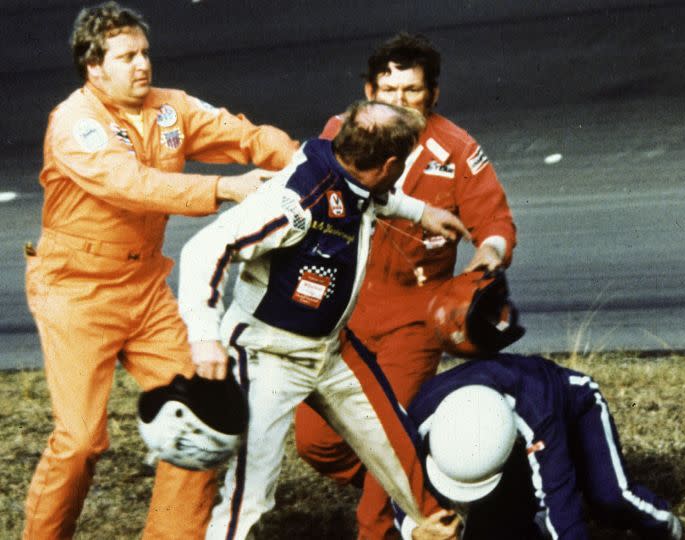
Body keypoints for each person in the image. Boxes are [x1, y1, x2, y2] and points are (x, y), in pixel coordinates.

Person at [22, 2, 298, 538]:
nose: (142, 65)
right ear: (93, 67)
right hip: (75, 294)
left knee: (204, 420)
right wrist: (223, 188)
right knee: (81, 442)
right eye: (126, 57)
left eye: (144, 52)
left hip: (144, 288)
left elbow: (241, 135)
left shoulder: (170, 109)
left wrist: (302, 164)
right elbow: (132, 185)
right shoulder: (75, 122)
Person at [177, 99, 471, 540]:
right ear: (391, 163)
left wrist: (421, 213)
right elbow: (204, 249)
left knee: (402, 454)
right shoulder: (294, 201)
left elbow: (376, 197)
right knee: (250, 495)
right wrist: (203, 336)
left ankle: (431, 529)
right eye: (403, 161)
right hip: (267, 355)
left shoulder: (353, 171)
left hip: (331, 350)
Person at [292, 32, 517, 539]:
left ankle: (391, 510)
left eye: (411, 91)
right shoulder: (340, 131)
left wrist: (483, 266)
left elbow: (497, 226)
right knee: (316, 443)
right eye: (388, 91)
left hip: (413, 323)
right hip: (342, 316)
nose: (399, 102)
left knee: (384, 455)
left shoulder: (457, 149)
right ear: (369, 91)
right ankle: (433, 486)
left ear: (432, 95)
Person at [395, 354, 685, 540]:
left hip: (573, 404)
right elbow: (390, 477)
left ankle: (680, 531)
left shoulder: (538, 414)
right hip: (509, 438)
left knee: (610, 496)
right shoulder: (419, 416)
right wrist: (413, 529)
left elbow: (562, 514)